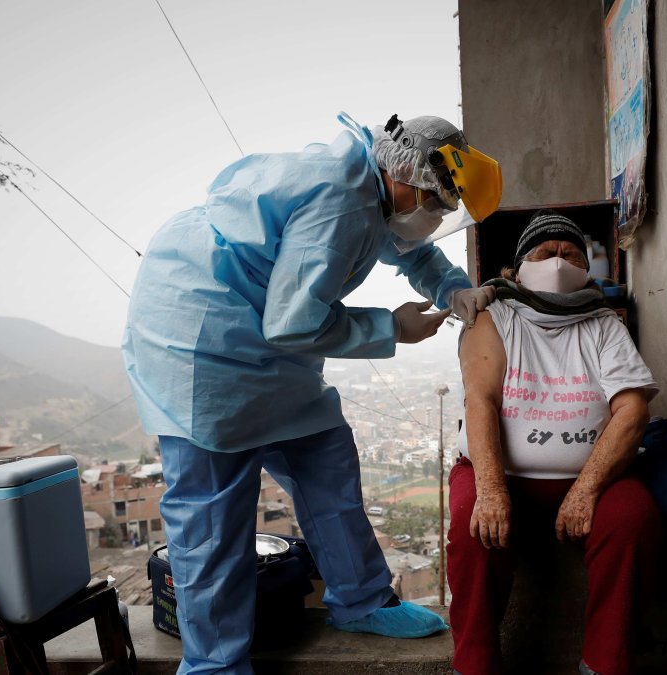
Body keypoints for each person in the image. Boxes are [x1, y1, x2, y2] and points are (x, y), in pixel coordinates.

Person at [122, 112, 501, 674]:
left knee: (325, 458)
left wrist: (454, 289)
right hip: (203, 338)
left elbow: (413, 251)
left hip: (263, 333)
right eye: (436, 203)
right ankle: (214, 664)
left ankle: (361, 599)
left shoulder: (377, 193)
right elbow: (293, 323)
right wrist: (392, 328)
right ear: (406, 176)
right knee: (212, 516)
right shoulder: (342, 204)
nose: (436, 215)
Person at [448, 211, 662, 675]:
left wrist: (586, 489)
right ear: (516, 269)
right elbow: (481, 399)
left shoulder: (604, 324)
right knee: (471, 525)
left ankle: (604, 663)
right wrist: (491, 490)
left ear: (588, 270)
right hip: (501, 474)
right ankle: (475, 663)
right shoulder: (493, 318)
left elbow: (632, 411)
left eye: (571, 255)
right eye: (546, 253)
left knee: (632, 518)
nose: (559, 262)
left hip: (589, 478)